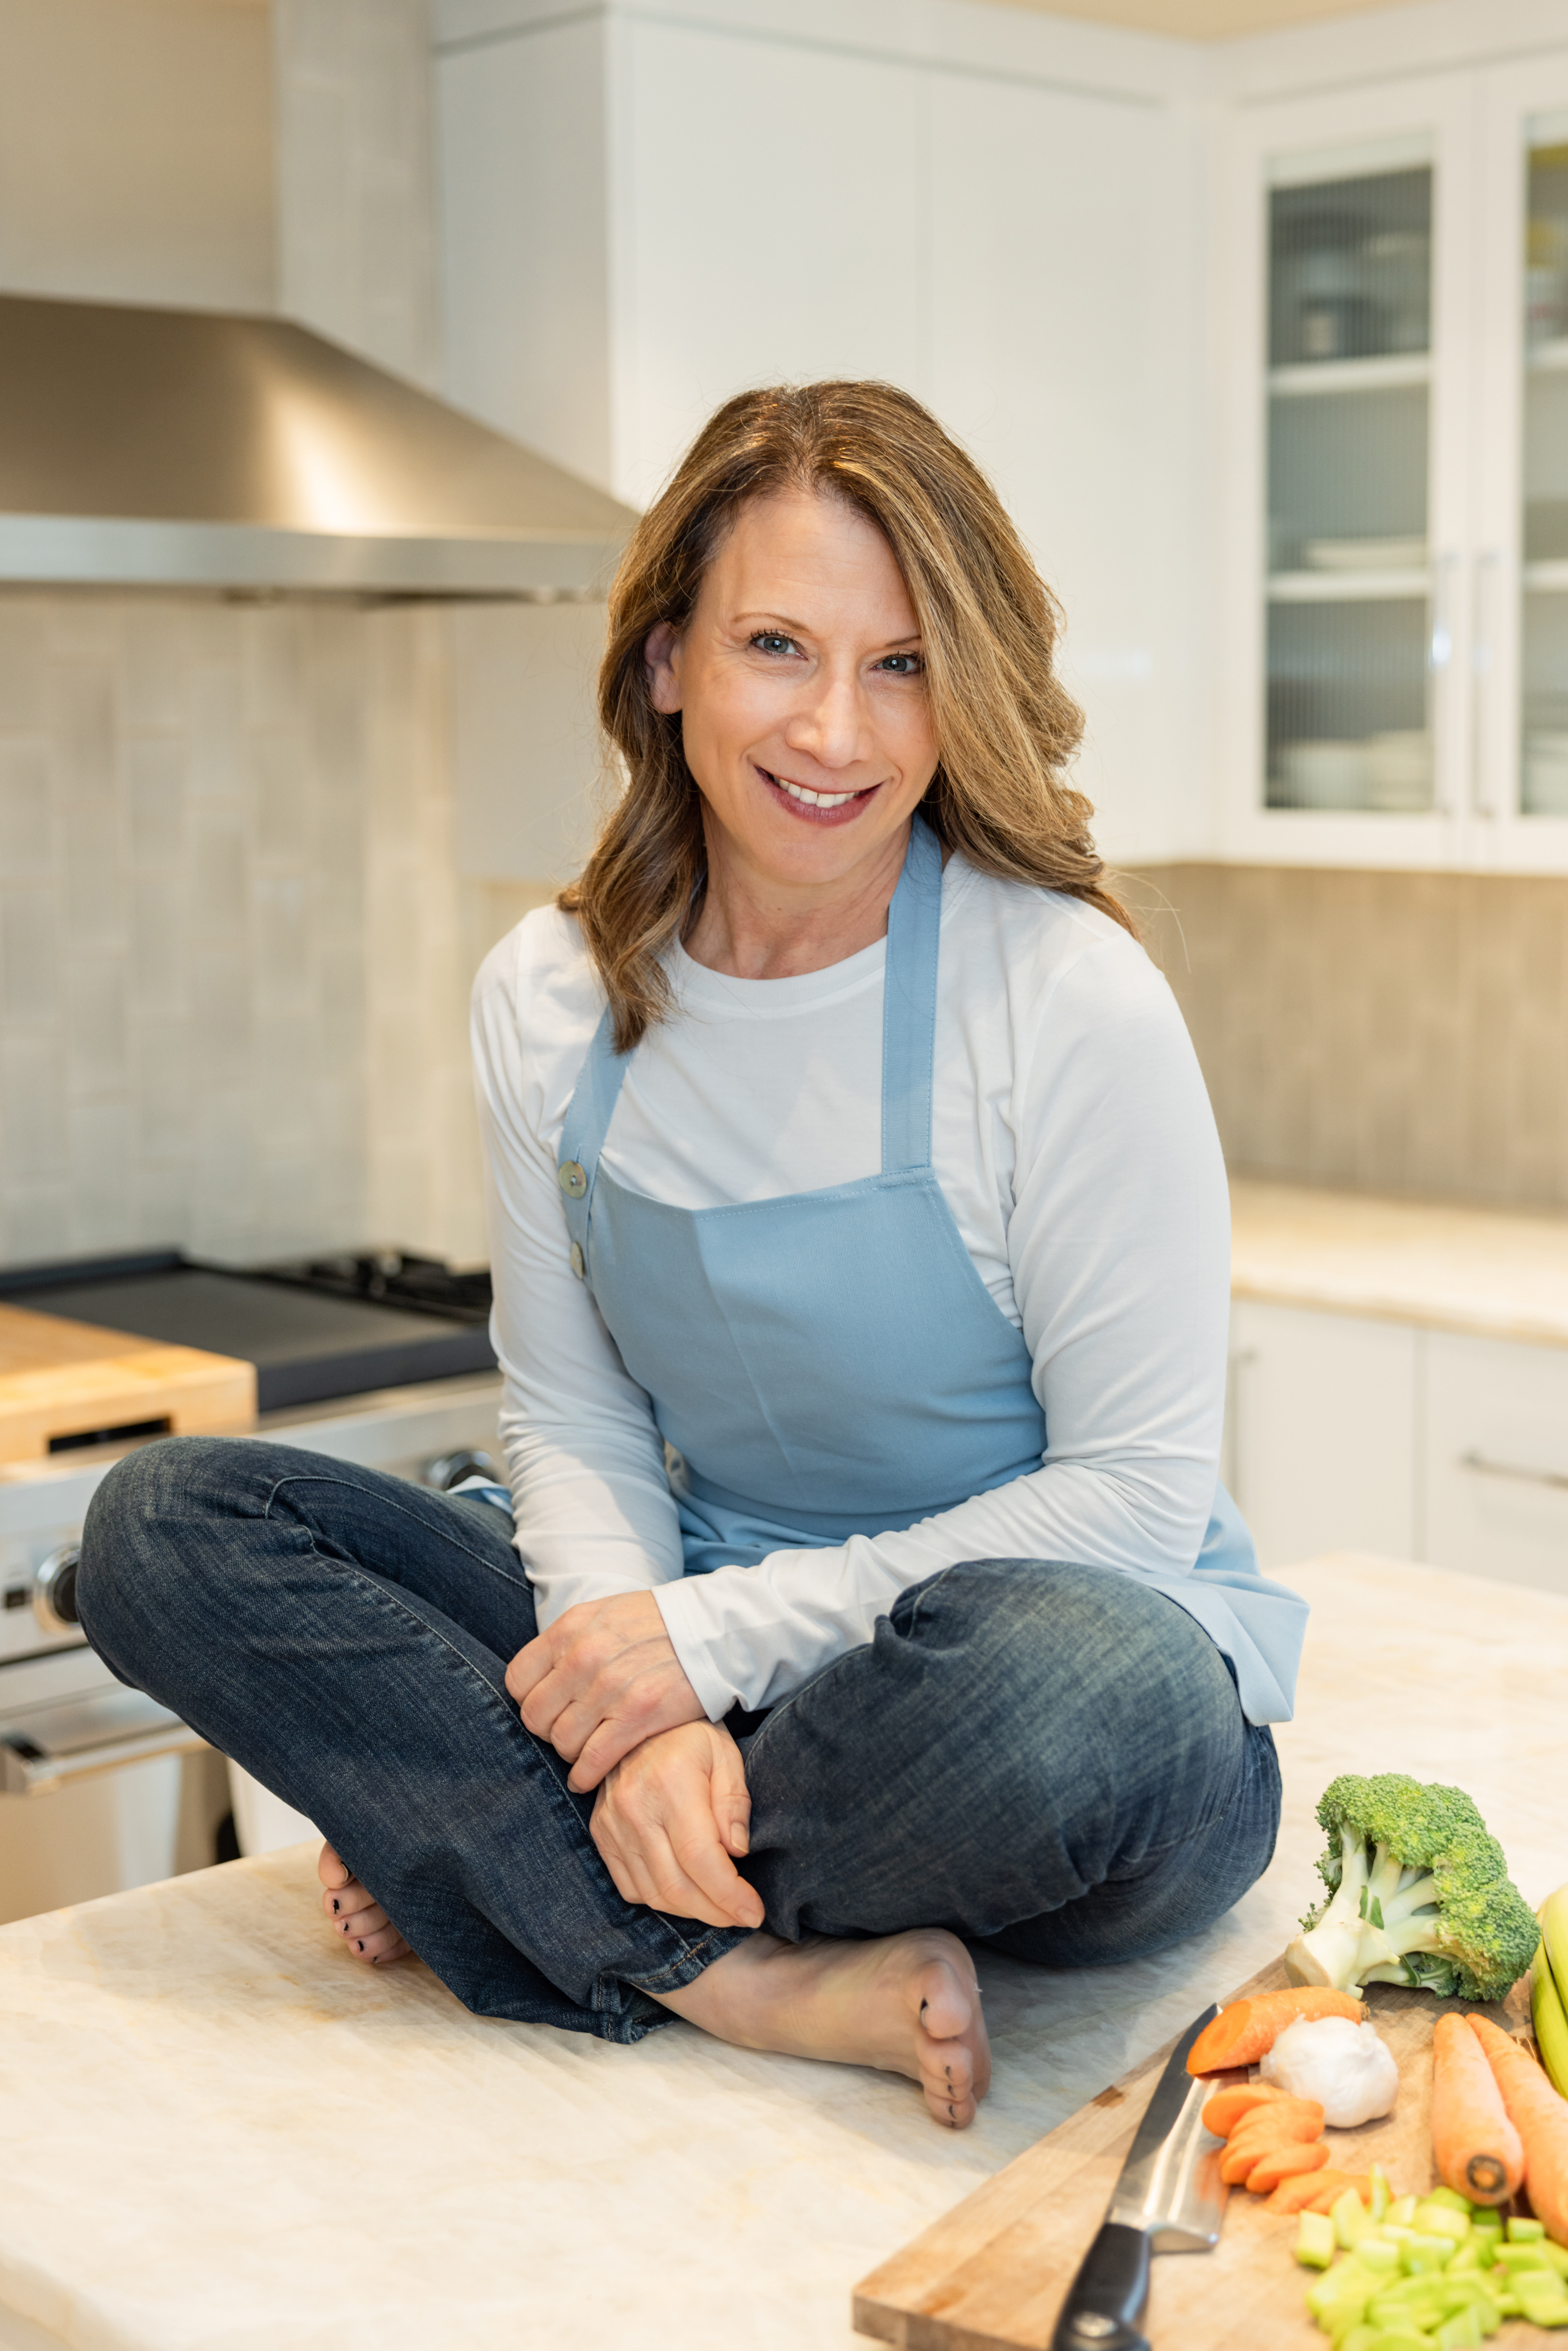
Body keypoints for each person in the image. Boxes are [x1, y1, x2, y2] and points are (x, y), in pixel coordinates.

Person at [78, 381, 1307, 2131]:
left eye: (900, 664)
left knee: (1095, 1690)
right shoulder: (550, 994)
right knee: (168, 1527)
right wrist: (639, 1705)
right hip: (684, 1657)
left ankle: (499, 1870)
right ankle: (731, 1966)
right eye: (777, 647)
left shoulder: (1056, 996)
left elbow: (1130, 1498)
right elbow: (572, 1421)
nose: (835, 729)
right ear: (665, 661)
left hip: (996, 1712)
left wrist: (688, 1660)